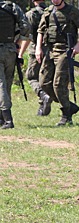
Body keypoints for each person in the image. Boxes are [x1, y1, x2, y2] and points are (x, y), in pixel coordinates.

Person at [35, 0, 79, 126]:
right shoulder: (48, 11)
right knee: (44, 83)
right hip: (50, 50)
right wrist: (38, 48)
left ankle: (66, 115)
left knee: (58, 84)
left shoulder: (72, 12)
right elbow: (40, 31)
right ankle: (69, 106)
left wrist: (78, 46)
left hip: (65, 51)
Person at [18, 0, 52, 117]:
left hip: (35, 49)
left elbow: (26, 35)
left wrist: (20, 52)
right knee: (46, 77)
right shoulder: (51, 11)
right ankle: (43, 105)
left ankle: (43, 96)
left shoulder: (30, 14)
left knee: (31, 76)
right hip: (52, 49)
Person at [0, 0, 30, 129]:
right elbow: (26, 27)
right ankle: (2, 118)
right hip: (10, 50)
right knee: (7, 83)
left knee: (1, 85)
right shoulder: (11, 6)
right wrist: (17, 40)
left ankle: (8, 119)